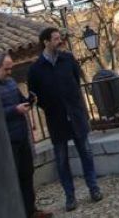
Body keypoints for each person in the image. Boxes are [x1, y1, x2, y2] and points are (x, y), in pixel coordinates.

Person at [27, 28, 102, 211]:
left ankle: (94, 188)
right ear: (45, 41)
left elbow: (76, 83)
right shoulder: (35, 69)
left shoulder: (68, 59)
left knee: (86, 152)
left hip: (75, 115)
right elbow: (35, 95)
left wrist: (74, 105)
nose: (59, 41)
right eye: (55, 39)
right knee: (61, 160)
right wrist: (50, 107)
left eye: (60, 38)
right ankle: (70, 197)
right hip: (56, 119)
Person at [0, 52, 52, 218]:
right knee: (14, 178)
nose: (10, 72)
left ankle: (30, 210)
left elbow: (20, 100)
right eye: (6, 69)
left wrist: (29, 100)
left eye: (11, 68)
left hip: (21, 136)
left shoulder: (11, 83)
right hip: (7, 140)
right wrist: (14, 110)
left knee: (27, 174)